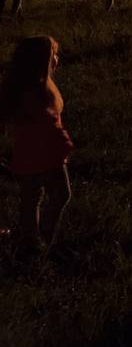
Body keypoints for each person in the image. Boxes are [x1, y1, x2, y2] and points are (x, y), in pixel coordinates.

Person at [0, 36, 73, 249]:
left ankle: (29, 239)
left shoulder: (29, 87)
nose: (57, 59)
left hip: (28, 154)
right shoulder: (36, 93)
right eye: (54, 55)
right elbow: (44, 124)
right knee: (59, 194)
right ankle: (40, 237)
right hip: (45, 153)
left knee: (31, 198)